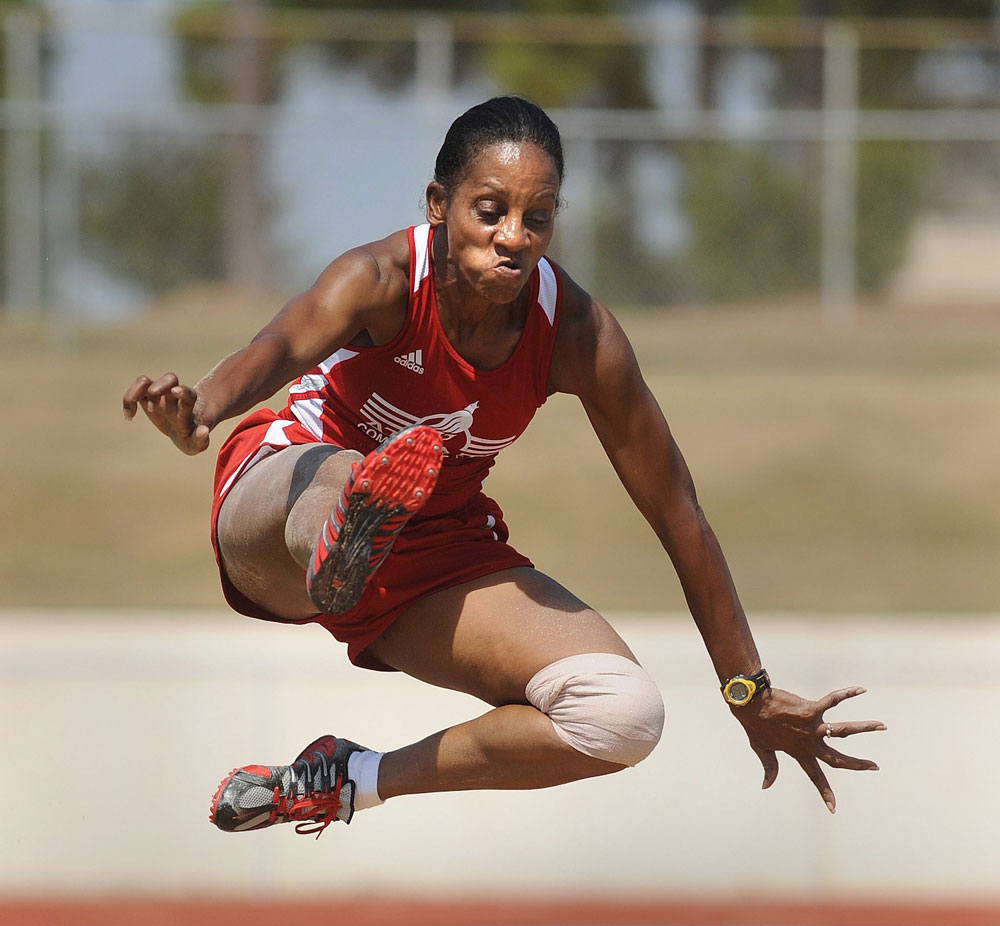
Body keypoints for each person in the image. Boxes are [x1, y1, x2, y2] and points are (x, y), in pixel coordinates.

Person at [122, 95, 884, 838]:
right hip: (282, 497)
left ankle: (348, 780)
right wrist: (201, 411)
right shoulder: (381, 279)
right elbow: (280, 348)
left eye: (537, 217)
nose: (514, 236)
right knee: (343, 473)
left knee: (621, 714)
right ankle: (343, 532)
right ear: (438, 204)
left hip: (426, 546)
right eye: (490, 211)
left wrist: (745, 687)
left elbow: (678, 510)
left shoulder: (577, 332)